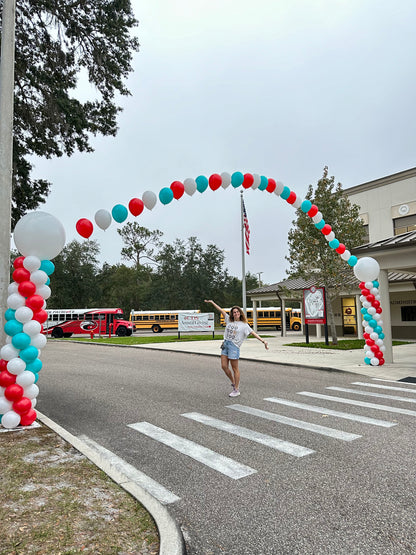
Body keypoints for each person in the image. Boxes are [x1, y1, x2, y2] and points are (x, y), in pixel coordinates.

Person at [204, 299, 269, 397]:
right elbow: (220, 310)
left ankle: (236, 389)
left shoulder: (244, 325)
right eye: (234, 312)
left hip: (234, 347)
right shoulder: (228, 320)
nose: (236, 313)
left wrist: (263, 341)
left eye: (237, 312)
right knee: (224, 366)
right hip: (225, 345)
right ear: (232, 314)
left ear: (240, 313)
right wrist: (212, 302)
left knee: (235, 368)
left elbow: (253, 333)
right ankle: (233, 382)